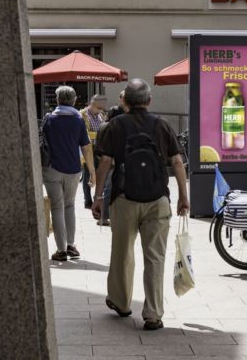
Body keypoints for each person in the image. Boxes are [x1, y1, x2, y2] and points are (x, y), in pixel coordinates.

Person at [92, 79, 189, 331]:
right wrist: (183, 196)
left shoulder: (113, 126)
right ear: (149, 101)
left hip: (124, 199)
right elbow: (177, 162)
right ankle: (153, 314)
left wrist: (98, 196)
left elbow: (105, 162)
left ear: (125, 101)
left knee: (122, 253)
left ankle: (122, 303)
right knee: (155, 257)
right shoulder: (162, 125)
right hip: (157, 200)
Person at [42, 86, 96, 261]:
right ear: (73, 101)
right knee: (69, 205)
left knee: (57, 207)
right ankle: (71, 245)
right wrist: (92, 172)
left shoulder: (49, 119)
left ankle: (61, 250)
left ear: (57, 100)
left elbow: (43, 144)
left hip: (52, 169)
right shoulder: (79, 120)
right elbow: (86, 148)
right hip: (73, 169)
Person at [79, 95, 106, 209]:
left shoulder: (101, 115)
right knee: (87, 175)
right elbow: (83, 134)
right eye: (98, 107)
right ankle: (87, 201)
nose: (100, 110)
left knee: (99, 175)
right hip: (88, 149)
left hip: (99, 149)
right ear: (92, 104)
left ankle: (97, 198)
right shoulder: (82, 114)